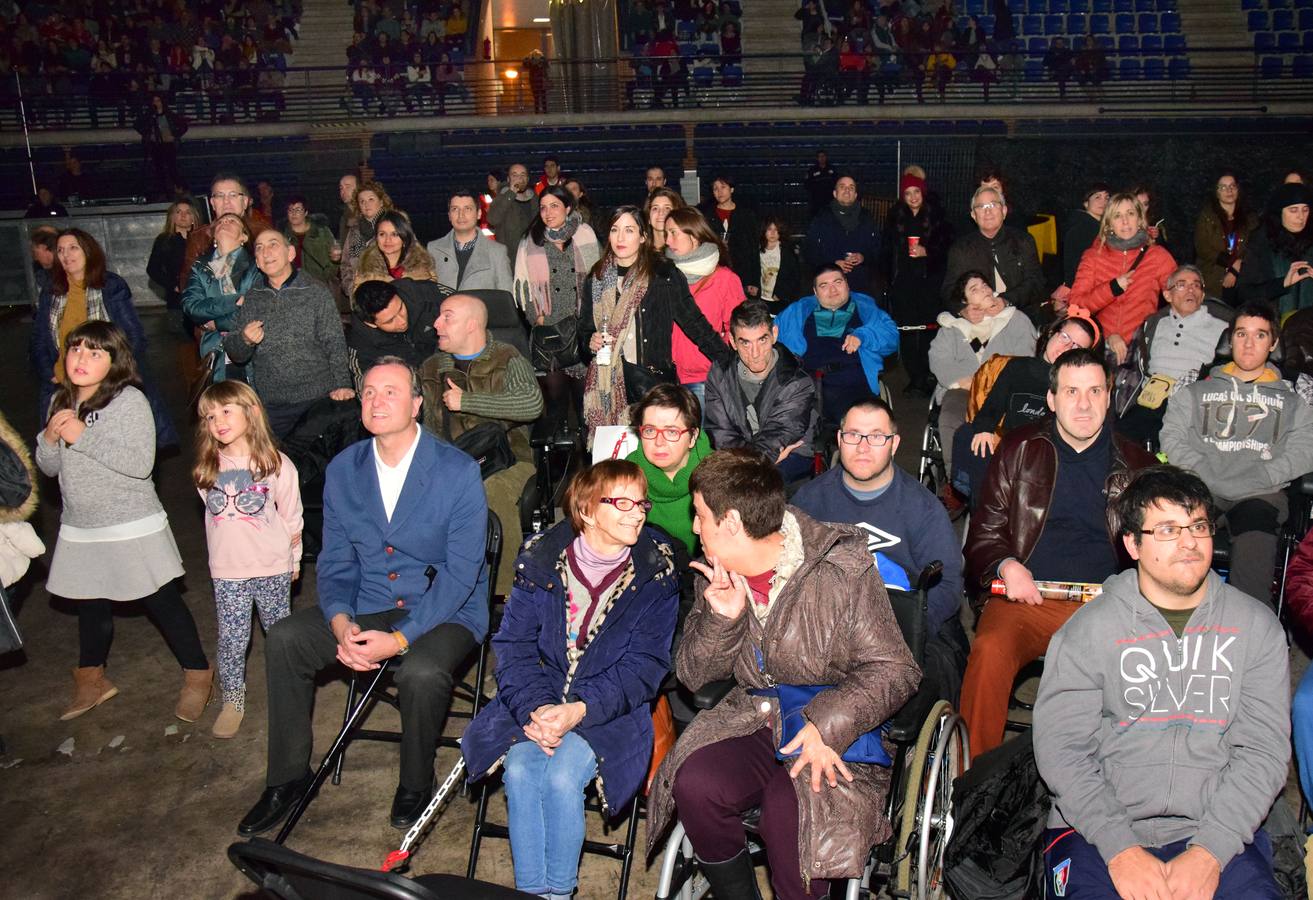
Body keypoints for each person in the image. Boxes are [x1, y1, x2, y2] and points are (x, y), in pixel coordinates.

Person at [646, 448, 920, 900]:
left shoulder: (838, 568)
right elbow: (693, 676)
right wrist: (723, 620)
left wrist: (827, 724)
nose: (694, 527)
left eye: (699, 515)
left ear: (731, 522)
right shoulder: (719, 574)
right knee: (694, 783)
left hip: (834, 726)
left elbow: (895, 669)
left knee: (788, 816)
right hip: (755, 715)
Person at [237, 357, 489, 836]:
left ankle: (416, 779)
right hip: (372, 600)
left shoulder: (456, 471)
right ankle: (288, 777)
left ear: (417, 403)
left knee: (420, 670)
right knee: (287, 639)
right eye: (369, 392)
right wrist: (339, 620)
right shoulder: (343, 470)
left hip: (444, 608)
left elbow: (461, 575)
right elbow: (334, 561)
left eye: (391, 391)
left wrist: (400, 640)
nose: (377, 401)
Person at [1035, 466, 1290, 900]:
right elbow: (1063, 751)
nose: (1190, 542)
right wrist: (1121, 849)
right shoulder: (1088, 632)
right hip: (1097, 830)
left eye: (1199, 526)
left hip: (1217, 830)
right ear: (1132, 544)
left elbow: (1263, 754)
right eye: (1168, 529)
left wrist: (1211, 851)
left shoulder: (1256, 628)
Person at [461, 459, 677, 898]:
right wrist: (537, 708)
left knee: (561, 778)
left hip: (611, 712)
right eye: (623, 502)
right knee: (520, 770)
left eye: (641, 503)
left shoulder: (656, 573)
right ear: (588, 509)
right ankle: (533, 893)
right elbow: (514, 646)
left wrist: (579, 709)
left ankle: (559, 893)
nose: (638, 512)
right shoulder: (540, 561)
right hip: (535, 701)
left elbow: (645, 666)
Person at [961, 347, 1154, 756]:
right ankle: (971, 784)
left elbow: (1158, 548)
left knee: (1146, 667)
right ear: (1051, 400)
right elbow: (984, 531)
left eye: (1094, 391)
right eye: (1070, 391)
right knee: (989, 652)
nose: (1083, 404)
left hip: (1109, 606)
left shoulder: (1138, 466)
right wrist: (1006, 565)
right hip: (1029, 598)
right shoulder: (1017, 449)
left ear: (1109, 396)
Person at [37, 321, 211, 723]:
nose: (82, 359)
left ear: (115, 362)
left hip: (131, 522)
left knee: (161, 600)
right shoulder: (59, 400)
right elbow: (48, 469)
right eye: (76, 350)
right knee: (90, 604)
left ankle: (198, 673)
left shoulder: (128, 401)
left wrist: (82, 435)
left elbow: (139, 464)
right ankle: (92, 679)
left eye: (96, 353)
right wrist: (48, 440)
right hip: (81, 524)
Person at [793, 397, 970, 702]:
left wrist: (898, 635)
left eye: (876, 436)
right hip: (825, 627)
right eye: (853, 435)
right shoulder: (809, 502)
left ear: (894, 443)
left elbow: (949, 585)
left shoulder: (923, 509)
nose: (863, 446)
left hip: (901, 626)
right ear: (839, 439)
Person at [1160, 302, 1313, 606]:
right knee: (1172, 555)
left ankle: (1249, 641)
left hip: (1260, 492)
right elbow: (1171, 436)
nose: (1248, 343)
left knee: (1251, 587)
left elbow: (1305, 447)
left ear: (1274, 343)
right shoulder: (1196, 382)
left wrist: (1264, 475)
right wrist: (1202, 472)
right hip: (1199, 486)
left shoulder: (1298, 391)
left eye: (1259, 335)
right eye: (1241, 334)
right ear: (1230, 338)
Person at [194, 381, 302, 738]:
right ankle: (232, 699)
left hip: (271, 565)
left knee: (280, 635)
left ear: (251, 412)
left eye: (226, 411)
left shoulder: (276, 464)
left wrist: (294, 560)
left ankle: (290, 695)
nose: (217, 421)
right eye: (210, 416)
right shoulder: (207, 467)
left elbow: (291, 517)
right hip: (228, 572)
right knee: (232, 639)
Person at [420, 293, 545, 596]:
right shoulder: (431, 367)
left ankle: (505, 593)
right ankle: (429, 592)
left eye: (446, 317)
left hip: (509, 460)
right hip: (450, 463)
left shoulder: (506, 357)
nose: (436, 324)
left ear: (472, 325)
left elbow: (531, 404)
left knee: (488, 490)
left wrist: (467, 401)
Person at [579, 205, 733, 436]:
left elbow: (694, 323)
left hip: (652, 384)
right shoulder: (598, 277)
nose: (620, 237)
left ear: (643, 236)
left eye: (629, 230)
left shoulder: (663, 273)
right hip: (606, 386)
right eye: (614, 229)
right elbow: (584, 332)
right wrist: (589, 341)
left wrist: (731, 363)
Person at [32, 229, 178, 446]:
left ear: (89, 251)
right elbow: (39, 340)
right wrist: (49, 373)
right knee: (67, 454)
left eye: (73, 248)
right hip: (66, 388)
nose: (65, 255)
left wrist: (114, 375)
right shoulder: (51, 292)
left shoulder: (110, 286)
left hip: (109, 387)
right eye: (60, 250)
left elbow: (134, 337)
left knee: (111, 450)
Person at [224, 230, 356, 437]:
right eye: (259, 248)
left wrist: (342, 385)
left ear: (291, 253)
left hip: (318, 399)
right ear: (257, 262)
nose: (266, 252)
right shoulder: (252, 298)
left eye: (273, 244)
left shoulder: (316, 292)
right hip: (273, 405)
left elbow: (335, 342)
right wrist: (245, 340)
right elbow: (234, 352)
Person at [928, 270, 1037, 475]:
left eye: (985, 285)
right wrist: (962, 381)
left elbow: (1026, 356)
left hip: (1005, 391)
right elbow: (938, 358)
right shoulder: (952, 327)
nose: (984, 290)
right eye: (974, 289)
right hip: (963, 389)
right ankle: (956, 476)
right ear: (965, 301)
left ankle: (1007, 476)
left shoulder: (1016, 320)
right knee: (952, 415)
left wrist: (993, 383)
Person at [1114, 264, 1232, 445]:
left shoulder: (1223, 327)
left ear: (1202, 295)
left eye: (1196, 285)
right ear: (1167, 295)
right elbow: (1133, 363)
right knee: (1119, 440)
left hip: (1191, 403)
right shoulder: (1153, 324)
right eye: (1182, 284)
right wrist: (1113, 338)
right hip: (1150, 400)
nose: (1191, 290)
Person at [705, 299, 817, 482]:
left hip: (789, 453)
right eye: (746, 343)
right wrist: (749, 463)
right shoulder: (720, 373)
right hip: (742, 455)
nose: (755, 353)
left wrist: (746, 467)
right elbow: (720, 432)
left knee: (757, 486)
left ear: (774, 334)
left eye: (762, 340)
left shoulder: (796, 380)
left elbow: (779, 433)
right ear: (733, 342)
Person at [774, 265, 899, 426]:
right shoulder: (797, 311)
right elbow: (770, 337)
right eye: (824, 286)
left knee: (859, 423)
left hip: (851, 385)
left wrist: (864, 336)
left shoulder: (866, 309)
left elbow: (891, 338)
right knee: (787, 424)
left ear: (847, 284)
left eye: (837, 282)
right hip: (806, 384)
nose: (832, 290)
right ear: (815, 292)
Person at [1068, 192, 1177, 365]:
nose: (1125, 221)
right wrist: (1112, 288)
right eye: (1117, 216)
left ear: (1140, 220)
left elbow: (1180, 297)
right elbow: (1076, 305)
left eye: (1130, 214)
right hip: (1100, 347)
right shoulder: (1093, 257)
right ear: (1109, 223)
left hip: (1142, 349)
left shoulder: (1157, 257)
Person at [881, 170, 953, 395]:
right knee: (908, 331)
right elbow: (886, 251)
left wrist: (927, 252)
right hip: (904, 283)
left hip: (929, 283)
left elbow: (947, 250)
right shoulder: (895, 218)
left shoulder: (936, 217)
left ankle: (929, 374)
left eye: (916, 192)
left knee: (930, 331)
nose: (913, 197)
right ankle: (915, 377)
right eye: (908, 193)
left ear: (923, 192)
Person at [665, 207, 741, 405]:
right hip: (669, 377)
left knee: (704, 436)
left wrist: (719, 363)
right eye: (666, 234)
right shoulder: (665, 276)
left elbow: (738, 331)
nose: (667, 241)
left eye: (673, 233)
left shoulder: (725, 279)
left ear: (695, 235)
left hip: (706, 378)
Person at [625, 384, 713, 556]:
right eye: (650, 430)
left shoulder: (718, 473)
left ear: (693, 437)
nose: (658, 442)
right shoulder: (627, 473)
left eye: (671, 432)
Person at [941, 184, 1046, 324]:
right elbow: (948, 290)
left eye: (993, 205)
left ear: (1004, 210)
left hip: (1021, 318)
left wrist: (1006, 300)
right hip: (978, 323)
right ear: (973, 215)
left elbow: (1036, 281)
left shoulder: (1023, 241)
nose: (988, 212)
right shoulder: (961, 249)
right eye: (981, 207)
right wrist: (962, 310)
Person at [181, 212, 260, 383]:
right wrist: (235, 300)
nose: (225, 223)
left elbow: (257, 311)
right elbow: (191, 306)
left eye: (232, 221)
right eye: (221, 222)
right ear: (214, 236)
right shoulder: (200, 267)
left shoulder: (256, 266)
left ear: (244, 236)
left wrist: (217, 323)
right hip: (214, 350)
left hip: (249, 349)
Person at [513, 184, 601, 337]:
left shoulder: (586, 235)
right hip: (549, 328)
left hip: (583, 324)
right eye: (543, 207)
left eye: (554, 206)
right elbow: (524, 287)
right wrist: (538, 319)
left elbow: (599, 277)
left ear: (567, 208)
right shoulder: (530, 240)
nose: (548, 213)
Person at [178, 173, 272, 294]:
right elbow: (187, 284)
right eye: (220, 196)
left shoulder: (263, 233)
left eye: (233, 195)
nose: (226, 201)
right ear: (212, 203)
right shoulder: (199, 237)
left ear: (245, 202)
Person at [346, 279, 442, 388]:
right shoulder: (360, 345)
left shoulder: (424, 292)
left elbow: (464, 304)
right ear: (371, 324)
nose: (402, 321)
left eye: (401, 308)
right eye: (390, 321)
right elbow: (366, 391)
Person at [1237, 181, 1313, 317]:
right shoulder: (1261, 241)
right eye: (1293, 210)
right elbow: (1245, 292)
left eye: (1305, 209)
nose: (1301, 216)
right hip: (1273, 324)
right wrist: (1282, 283)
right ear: (1279, 212)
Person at [803, 174, 881, 297]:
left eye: (851, 187)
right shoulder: (822, 217)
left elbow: (877, 248)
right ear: (835, 193)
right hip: (830, 283)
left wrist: (863, 257)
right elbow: (809, 250)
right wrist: (832, 262)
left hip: (861, 284)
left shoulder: (867, 217)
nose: (847, 190)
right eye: (842, 186)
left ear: (855, 195)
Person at [428, 190, 512, 293]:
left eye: (467, 209)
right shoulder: (433, 250)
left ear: (479, 214)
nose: (461, 215)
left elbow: (506, 299)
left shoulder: (497, 252)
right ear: (449, 215)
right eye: (455, 209)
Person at [1194, 170, 1259, 303]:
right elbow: (1202, 247)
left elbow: (1255, 246)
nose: (1229, 191)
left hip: (1243, 279)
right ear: (1216, 192)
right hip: (1213, 278)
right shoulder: (1207, 217)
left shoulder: (1250, 217)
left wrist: (1235, 269)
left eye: (1232, 186)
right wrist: (1230, 262)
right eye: (1223, 187)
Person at [699, 175, 760, 294]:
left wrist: (754, 280)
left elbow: (753, 249)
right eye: (715, 188)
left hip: (742, 274)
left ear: (732, 189)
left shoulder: (746, 215)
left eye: (723, 187)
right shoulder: (707, 215)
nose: (719, 192)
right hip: (715, 272)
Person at [339, 180, 396, 297]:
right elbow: (345, 264)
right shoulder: (354, 231)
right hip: (361, 297)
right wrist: (351, 289)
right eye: (362, 201)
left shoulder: (395, 226)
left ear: (381, 202)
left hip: (389, 294)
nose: (366, 204)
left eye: (371, 199)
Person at [147, 200, 200, 312]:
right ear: (172, 216)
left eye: (188, 212)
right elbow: (153, 269)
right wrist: (174, 286)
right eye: (178, 212)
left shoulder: (202, 238)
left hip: (202, 297)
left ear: (193, 217)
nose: (183, 215)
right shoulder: (164, 240)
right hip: (177, 301)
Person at [280, 195, 340, 288]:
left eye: (298, 209)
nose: (294, 213)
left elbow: (334, 256)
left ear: (306, 212)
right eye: (290, 210)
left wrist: (327, 275)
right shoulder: (282, 236)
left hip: (319, 285)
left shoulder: (321, 232)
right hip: (292, 286)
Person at [134, 94, 188, 198]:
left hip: (168, 144)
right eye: (154, 101)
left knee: (172, 167)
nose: (156, 103)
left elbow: (183, 126)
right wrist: (147, 134)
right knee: (159, 169)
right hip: (155, 145)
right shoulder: (149, 115)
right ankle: (163, 190)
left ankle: (179, 187)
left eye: (158, 101)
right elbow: (137, 124)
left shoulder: (169, 114)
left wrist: (175, 135)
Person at [488, 163, 541, 268]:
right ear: (508, 179)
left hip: (531, 258)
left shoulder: (535, 198)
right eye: (515, 175)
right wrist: (511, 193)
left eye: (522, 175)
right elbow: (492, 219)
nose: (519, 178)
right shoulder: (502, 197)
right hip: (509, 261)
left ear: (527, 178)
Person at [1061, 181, 1110, 289]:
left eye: (1107, 198)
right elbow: (1074, 265)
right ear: (1086, 203)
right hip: (1086, 287)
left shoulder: (1102, 226)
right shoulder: (1083, 228)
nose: (1104, 202)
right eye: (1098, 197)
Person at [753, 215, 803, 313]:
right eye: (769, 229)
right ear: (764, 231)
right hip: (762, 297)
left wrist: (782, 293)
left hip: (779, 298)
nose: (773, 233)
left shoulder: (786, 251)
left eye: (776, 230)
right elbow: (753, 269)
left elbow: (794, 276)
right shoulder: (757, 250)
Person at [645, 186, 685, 255]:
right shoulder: (639, 252)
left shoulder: (684, 250)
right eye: (655, 208)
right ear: (648, 217)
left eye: (667, 208)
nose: (661, 212)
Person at [803, 150, 838, 219]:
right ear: (817, 158)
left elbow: (837, 182)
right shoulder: (812, 170)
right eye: (820, 156)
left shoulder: (832, 169)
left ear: (826, 157)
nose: (822, 158)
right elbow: (807, 183)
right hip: (817, 199)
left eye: (823, 156)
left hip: (829, 198)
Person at [337, 172, 359, 244]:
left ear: (358, 188)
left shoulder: (367, 212)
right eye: (341, 188)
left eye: (348, 187)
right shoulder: (343, 216)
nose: (343, 191)